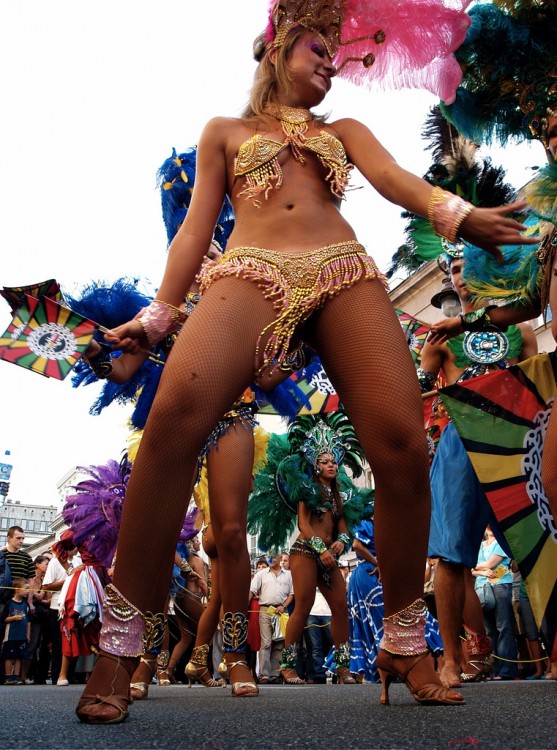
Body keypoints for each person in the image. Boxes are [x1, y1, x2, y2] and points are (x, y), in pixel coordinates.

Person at [76, 0, 536, 722]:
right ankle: (119, 644)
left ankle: (404, 640)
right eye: (317, 50)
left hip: (344, 272)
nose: (331, 64)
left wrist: (457, 214)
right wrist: (159, 314)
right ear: (277, 48)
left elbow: (395, 182)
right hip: (249, 269)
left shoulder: (343, 131)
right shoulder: (223, 133)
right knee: (170, 426)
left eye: (335, 56)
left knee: (400, 445)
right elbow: (196, 230)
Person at [419, 253, 537, 687]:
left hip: (517, 443)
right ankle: (452, 659)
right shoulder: (438, 338)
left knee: (539, 545)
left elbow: (537, 388)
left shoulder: (520, 329)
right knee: (451, 554)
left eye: (469, 266)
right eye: (453, 271)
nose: (461, 277)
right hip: (458, 443)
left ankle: (554, 652)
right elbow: (417, 392)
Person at [248, 412, 374, 685]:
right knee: (303, 605)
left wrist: (341, 541)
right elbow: (304, 525)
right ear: (315, 466)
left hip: (329, 557)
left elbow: (343, 526)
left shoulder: (339, 495)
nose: (331, 465)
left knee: (340, 607)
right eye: (324, 461)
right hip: (305, 552)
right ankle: (288, 666)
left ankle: (342, 667)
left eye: (333, 461)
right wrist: (322, 549)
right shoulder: (306, 489)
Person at [472, 526, 519, 680]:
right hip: (482, 587)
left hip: (501, 584)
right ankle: (494, 669)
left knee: (503, 627)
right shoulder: (478, 545)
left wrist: (478, 567)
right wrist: (482, 571)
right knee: (489, 631)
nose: (489, 527)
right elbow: (471, 570)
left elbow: (490, 564)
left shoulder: (501, 542)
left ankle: (507, 670)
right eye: (486, 524)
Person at [249, 553, 293, 684]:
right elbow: (252, 590)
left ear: (280, 558)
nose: (271, 559)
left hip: (281, 611)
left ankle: (275, 674)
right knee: (266, 642)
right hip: (265, 610)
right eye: (269, 556)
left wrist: (283, 606)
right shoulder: (261, 574)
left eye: (274, 556)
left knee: (279, 644)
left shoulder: (289, 575)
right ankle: (264, 675)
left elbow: (292, 593)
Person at [42, 538, 81, 685]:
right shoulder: (54, 562)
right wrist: (69, 580)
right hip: (57, 607)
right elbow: (46, 586)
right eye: (75, 546)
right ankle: (57, 675)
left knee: (74, 640)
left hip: (75, 606)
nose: (77, 549)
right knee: (58, 642)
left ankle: (70, 674)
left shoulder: (78, 561)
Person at [20, 554, 51, 684]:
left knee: (37, 644)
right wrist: (39, 596)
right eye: (45, 564)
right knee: (29, 643)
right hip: (30, 613)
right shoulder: (31, 578)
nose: (47, 566)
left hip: (42, 614)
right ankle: (22, 675)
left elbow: (45, 598)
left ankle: (30, 675)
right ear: (37, 564)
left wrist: (41, 597)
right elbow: (36, 596)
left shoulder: (45, 579)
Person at [0, 578, 30, 685]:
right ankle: (8, 676)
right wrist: (13, 618)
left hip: (22, 635)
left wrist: (28, 634)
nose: (28, 591)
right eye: (26, 588)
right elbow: (3, 619)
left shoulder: (26, 605)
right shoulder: (9, 604)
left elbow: (28, 621)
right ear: (17, 589)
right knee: (9, 655)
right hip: (11, 635)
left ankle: (16, 676)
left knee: (19, 656)